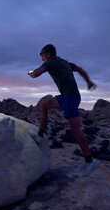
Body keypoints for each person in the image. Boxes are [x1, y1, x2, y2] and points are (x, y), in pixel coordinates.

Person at [28, 44, 99, 176]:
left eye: (42, 55)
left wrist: (30, 73)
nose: (41, 58)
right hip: (66, 97)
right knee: (44, 105)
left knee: (76, 131)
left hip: (71, 98)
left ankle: (90, 161)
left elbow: (36, 74)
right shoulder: (64, 62)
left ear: (48, 55)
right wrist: (88, 82)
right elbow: (81, 69)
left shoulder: (50, 63)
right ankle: (41, 135)